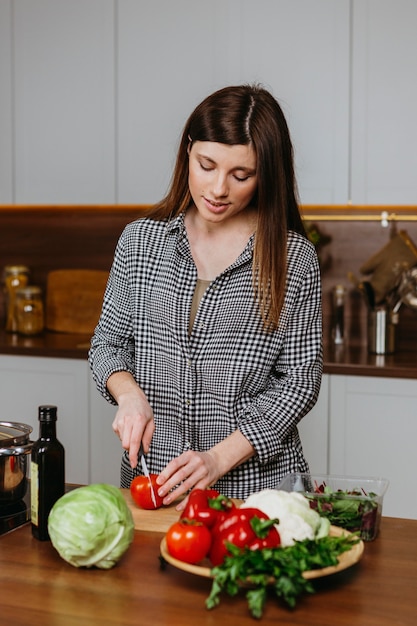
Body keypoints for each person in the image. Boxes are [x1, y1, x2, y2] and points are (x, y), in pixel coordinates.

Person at [89, 84, 322, 508]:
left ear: (266, 174)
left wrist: (217, 460)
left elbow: (300, 382)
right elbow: (108, 344)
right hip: (155, 477)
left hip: (257, 490)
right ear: (188, 151)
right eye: (207, 165)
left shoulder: (293, 259)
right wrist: (129, 395)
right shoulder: (141, 242)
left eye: (241, 175)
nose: (218, 189)